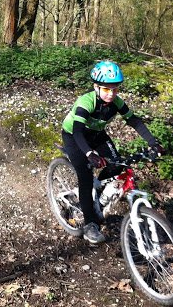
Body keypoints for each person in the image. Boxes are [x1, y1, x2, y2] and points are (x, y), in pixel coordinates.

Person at [61, 60, 163, 244]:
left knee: (117, 166)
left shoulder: (116, 102)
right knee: (84, 176)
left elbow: (135, 121)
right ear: (96, 87)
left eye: (115, 89)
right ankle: (90, 224)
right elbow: (77, 131)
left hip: (97, 135)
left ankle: (97, 197)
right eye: (106, 89)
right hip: (75, 137)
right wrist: (89, 154)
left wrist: (153, 143)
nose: (111, 93)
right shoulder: (87, 102)